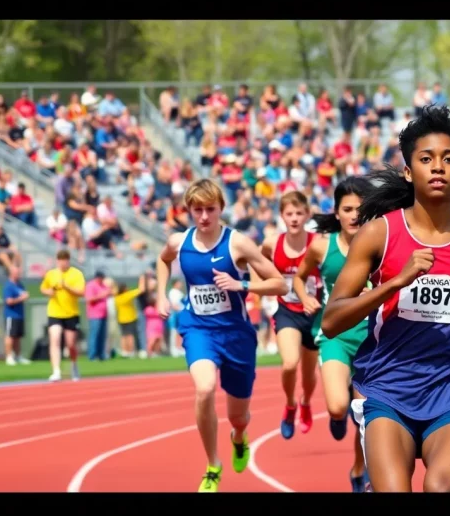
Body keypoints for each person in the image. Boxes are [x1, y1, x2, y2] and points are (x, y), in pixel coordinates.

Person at [321, 105, 450, 492]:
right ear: (409, 172)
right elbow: (332, 321)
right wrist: (393, 283)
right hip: (388, 389)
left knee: (439, 489)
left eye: (449, 159)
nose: (438, 167)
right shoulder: (379, 235)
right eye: (426, 159)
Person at [155, 178, 288, 493]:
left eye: (210, 210)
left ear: (220, 210)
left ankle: (239, 438)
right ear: (188, 210)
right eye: (197, 209)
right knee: (204, 389)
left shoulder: (237, 243)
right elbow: (163, 261)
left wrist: (241, 285)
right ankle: (213, 464)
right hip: (198, 328)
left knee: (237, 416)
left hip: (236, 335)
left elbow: (279, 283)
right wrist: (161, 294)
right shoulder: (178, 242)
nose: (203, 217)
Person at [292, 177, 374, 492]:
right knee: (340, 407)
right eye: (348, 209)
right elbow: (299, 279)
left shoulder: (379, 244)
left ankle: (359, 471)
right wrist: (306, 297)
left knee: (366, 415)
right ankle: (337, 416)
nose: (354, 215)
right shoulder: (321, 247)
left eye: (360, 209)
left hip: (373, 339)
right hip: (336, 335)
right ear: (337, 213)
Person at [260, 191, 322, 439]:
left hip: (314, 312)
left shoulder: (318, 243)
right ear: (281, 216)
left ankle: (306, 401)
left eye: (299, 213)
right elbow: (256, 259)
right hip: (287, 311)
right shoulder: (272, 243)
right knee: (289, 363)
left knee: (308, 375)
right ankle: (290, 404)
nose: (294, 218)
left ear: (307, 214)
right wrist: (260, 287)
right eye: (289, 214)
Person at [40, 249, 86, 381]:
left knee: (70, 344)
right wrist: (49, 292)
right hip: (55, 312)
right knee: (54, 339)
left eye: (65, 260)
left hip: (71, 313)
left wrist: (66, 287)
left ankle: (74, 364)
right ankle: (56, 370)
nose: (62, 263)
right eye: (60, 260)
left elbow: (81, 292)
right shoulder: (51, 274)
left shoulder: (76, 274)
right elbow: (44, 288)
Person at [2, 265, 31, 365]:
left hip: (20, 315)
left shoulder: (20, 285)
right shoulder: (8, 286)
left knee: (18, 337)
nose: (19, 275)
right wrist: (21, 298)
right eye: (17, 273)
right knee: (10, 335)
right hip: (11, 315)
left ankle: (18, 356)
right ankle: (9, 356)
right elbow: (9, 301)